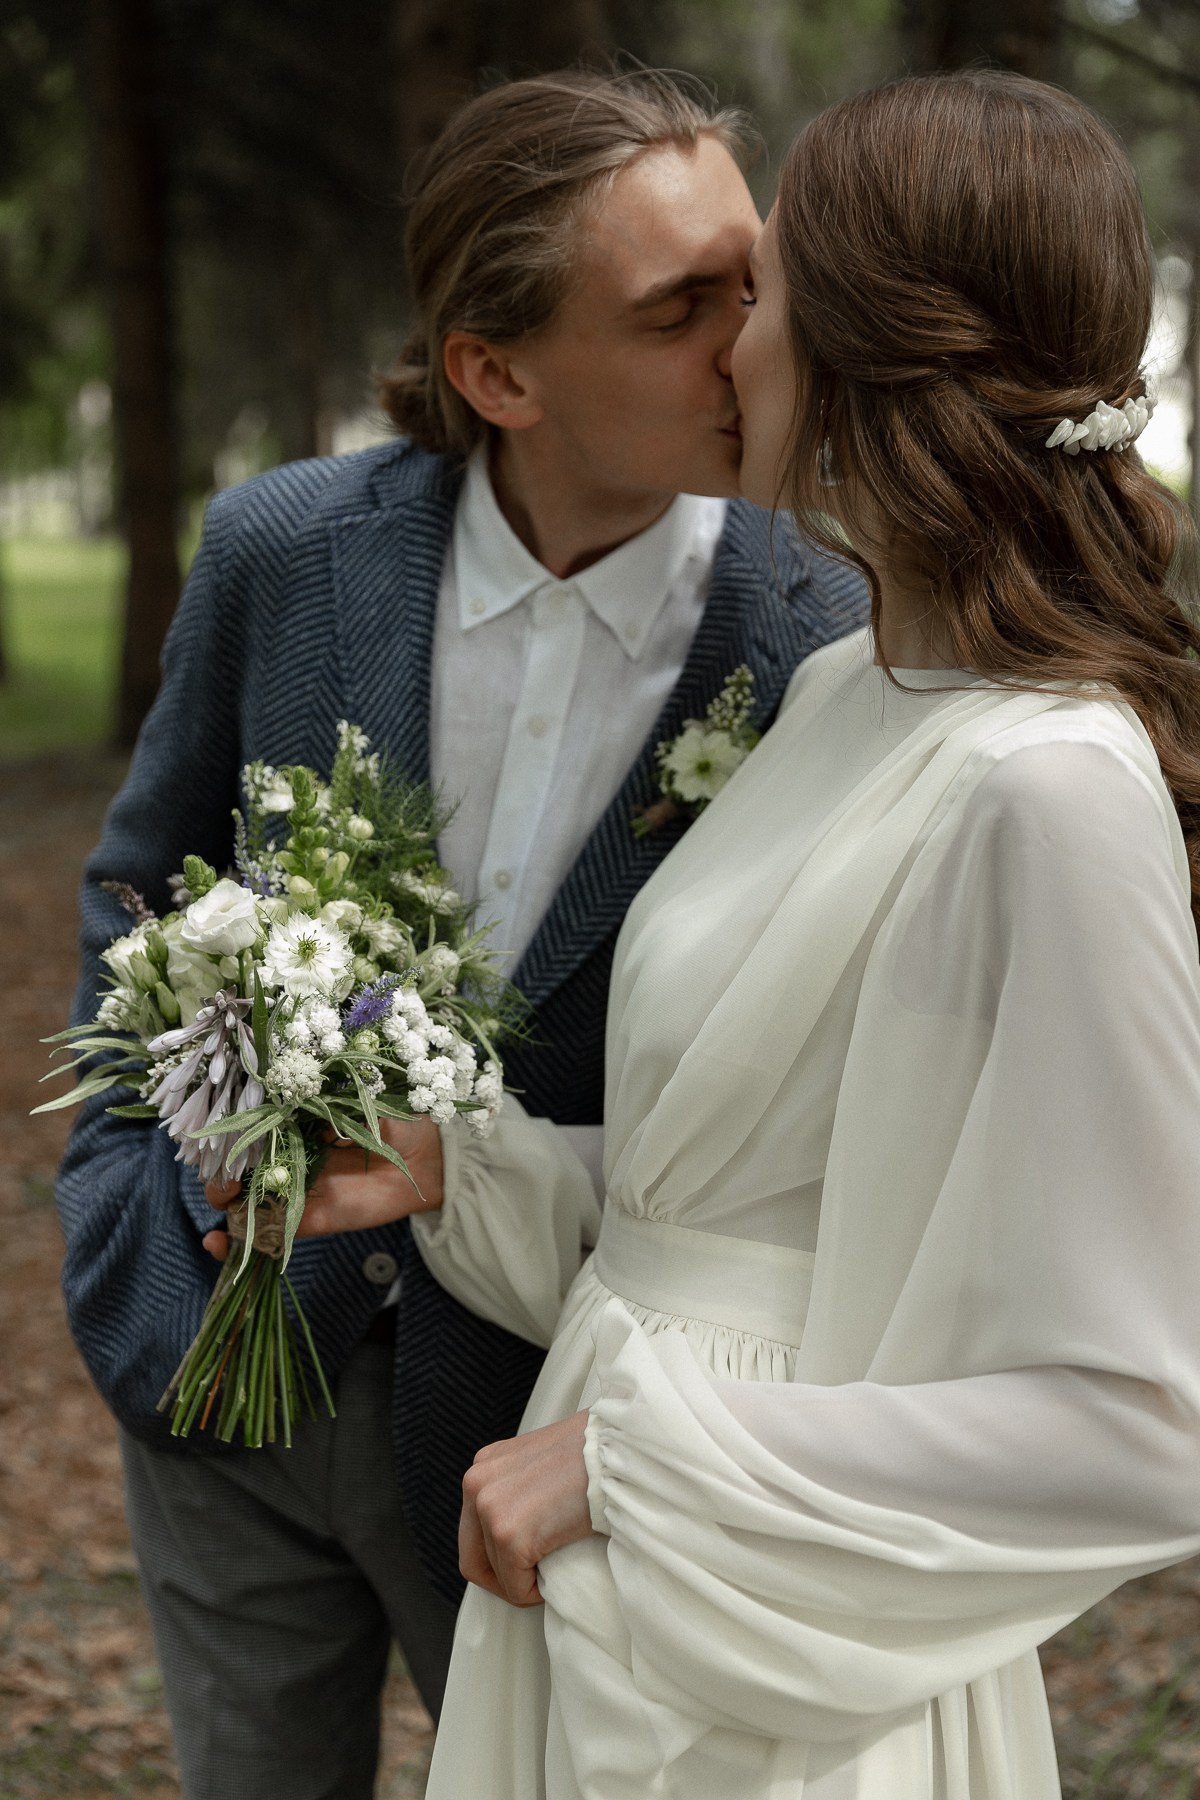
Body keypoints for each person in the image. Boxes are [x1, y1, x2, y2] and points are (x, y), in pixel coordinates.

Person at [54, 67, 867, 1800]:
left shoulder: (827, 641)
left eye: (754, 278)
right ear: (498, 373)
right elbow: (142, 881)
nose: (752, 339)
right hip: (221, 1366)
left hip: (547, 1435)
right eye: (679, 310)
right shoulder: (283, 553)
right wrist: (129, 1202)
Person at [412, 69, 1200, 1800]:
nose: (725, 349)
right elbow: (733, 1224)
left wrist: (627, 1467)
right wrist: (453, 1167)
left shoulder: (1050, 786)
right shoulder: (850, 687)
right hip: (606, 1588)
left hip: (777, 1664)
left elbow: (1134, 1431)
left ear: (857, 352)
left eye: (753, 294)